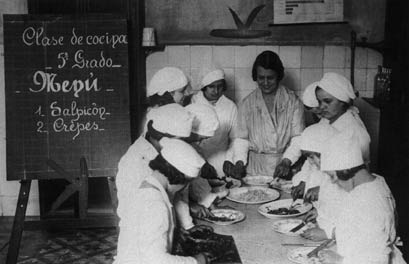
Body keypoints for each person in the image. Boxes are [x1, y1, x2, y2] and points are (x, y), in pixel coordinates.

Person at [114, 137, 211, 264]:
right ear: (178, 178)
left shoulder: (147, 185)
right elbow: (156, 260)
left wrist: (172, 233)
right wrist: (197, 261)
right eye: (187, 183)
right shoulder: (155, 205)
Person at [316, 132, 406, 264]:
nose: (333, 182)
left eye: (332, 176)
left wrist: (340, 260)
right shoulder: (376, 181)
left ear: (346, 170)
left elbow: (379, 259)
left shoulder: (368, 200)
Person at [274, 72, 370, 179]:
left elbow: (350, 174)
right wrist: (288, 161)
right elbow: (305, 144)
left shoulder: (352, 130)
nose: (322, 107)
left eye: (327, 101)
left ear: (342, 101)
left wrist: (317, 186)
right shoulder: (329, 121)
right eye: (320, 102)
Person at [237, 50, 305, 176]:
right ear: (255, 77)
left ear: (278, 76)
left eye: (270, 78)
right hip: (254, 168)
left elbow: (298, 137)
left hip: (285, 167)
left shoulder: (292, 101)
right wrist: (239, 162)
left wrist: (287, 161)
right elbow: (242, 138)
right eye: (261, 78)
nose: (266, 83)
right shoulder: (247, 103)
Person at [188, 67, 248, 179]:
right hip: (196, 162)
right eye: (211, 87)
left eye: (219, 86)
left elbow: (235, 138)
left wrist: (229, 159)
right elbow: (186, 139)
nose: (216, 91)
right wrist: (200, 162)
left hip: (222, 164)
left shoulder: (230, 106)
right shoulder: (193, 103)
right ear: (204, 87)